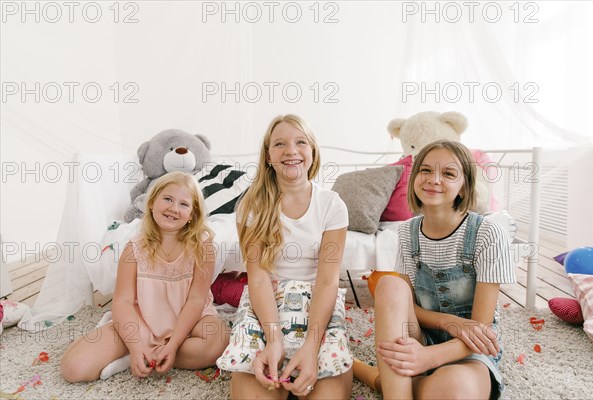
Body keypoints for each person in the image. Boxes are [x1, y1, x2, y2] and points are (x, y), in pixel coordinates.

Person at [355, 139, 515, 399]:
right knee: (389, 284)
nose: (433, 179)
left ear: (463, 188)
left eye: (448, 173)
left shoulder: (487, 233)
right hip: (421, 337)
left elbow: (480, 329)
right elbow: (410, 308)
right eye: (426, 170)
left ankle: (384, 380)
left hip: (469, 348)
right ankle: (399, 392)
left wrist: (428, 358)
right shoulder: (407, 231)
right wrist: (448, 323)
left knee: (453, 388)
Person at [227, 114, 353, 399]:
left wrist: (311, 345)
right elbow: (257, 279)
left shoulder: (332, 205)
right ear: (268, 156)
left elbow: (327, 282)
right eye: (279, 144)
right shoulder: (251, 205)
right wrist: (274, 340)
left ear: (312, 152)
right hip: (267, 304)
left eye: (300, 142)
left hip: (317, 305)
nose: (291, 151)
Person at [61, 171, 228, 382]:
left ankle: (156, 354)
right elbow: (123, 301)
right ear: (151, 203)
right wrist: (135, 343)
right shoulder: (134, 248)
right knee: (74, 369)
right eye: (167, 199)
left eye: (184, 204)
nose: (174, 208)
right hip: (143, 321)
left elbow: (196, 299)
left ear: (193, 214)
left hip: (189, 320)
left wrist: (174, 344)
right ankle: (139, 352)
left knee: (218, 341)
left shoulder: (203, 246)